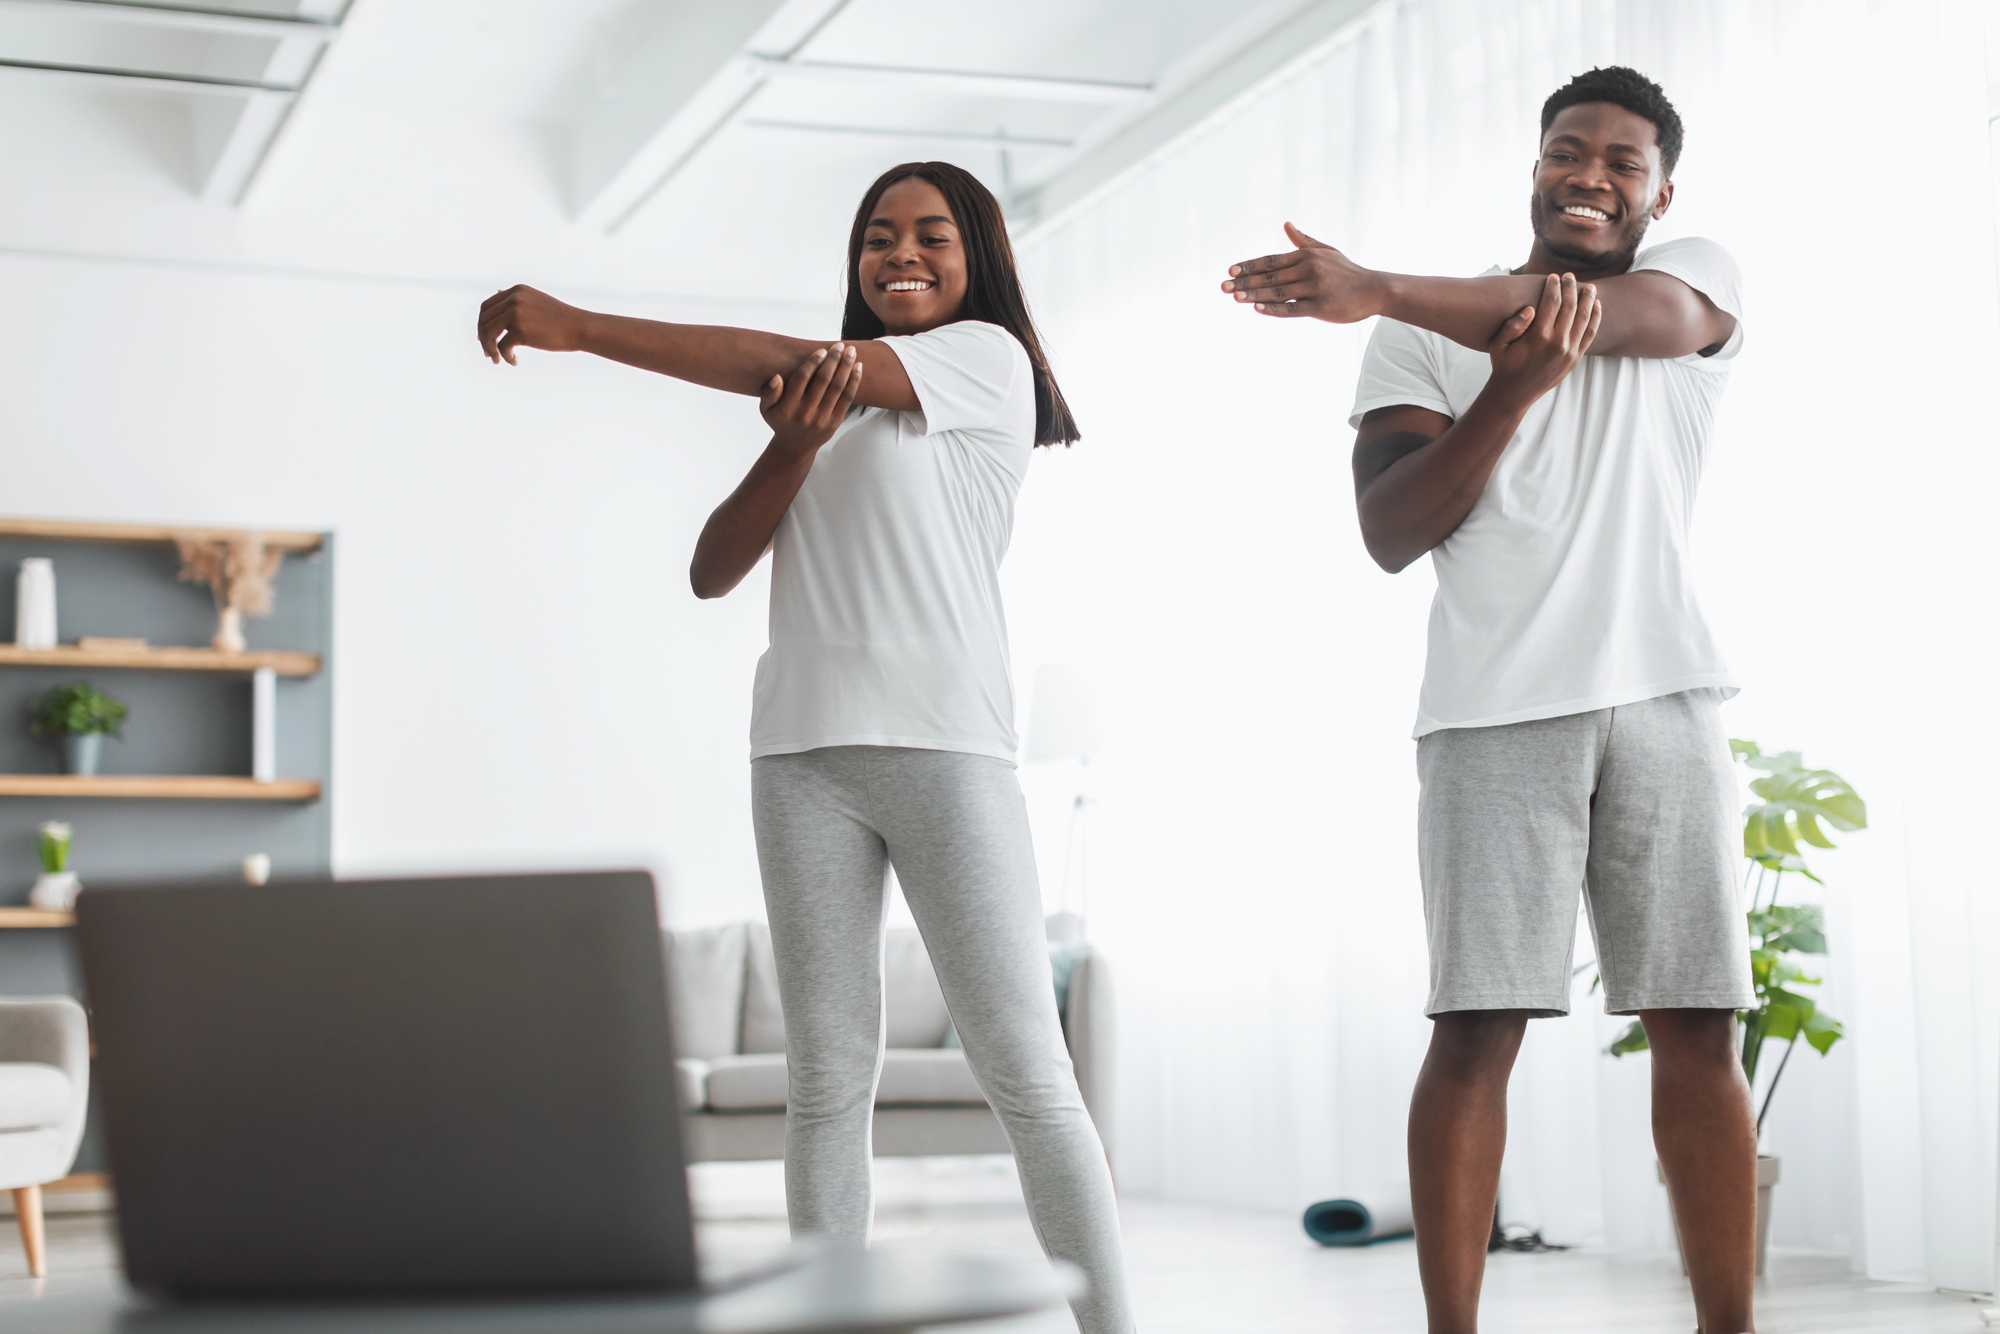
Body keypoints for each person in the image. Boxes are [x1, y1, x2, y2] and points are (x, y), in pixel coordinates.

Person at [476, 161, 1131, 1334]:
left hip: (944, 752)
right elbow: (712, 569)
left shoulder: (987, 364)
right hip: (799, 759)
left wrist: (578, 326)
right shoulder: (825, 414)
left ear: (977, 255)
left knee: (1029, 1077)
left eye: (931, 233)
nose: (900, 253)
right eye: (877, 236)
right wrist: (789, 446)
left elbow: (776, 362)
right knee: (826, 1084)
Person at [1220, 67, 1755, 1334]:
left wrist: (1379, 279)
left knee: (1697, 1026)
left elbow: (1627, 319)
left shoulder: (1692, 274)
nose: (1590, 174)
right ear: (1531, 166)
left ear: (1658, 190)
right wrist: (1508, 388)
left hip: (1664, 696)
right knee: (1473, 1029)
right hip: (1490, 708)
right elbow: (1390, 531)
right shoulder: (1414, 339)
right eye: (1567, 150)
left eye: (1621, 161)